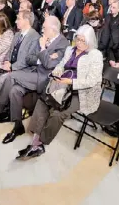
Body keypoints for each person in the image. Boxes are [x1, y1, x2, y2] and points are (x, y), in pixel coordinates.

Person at [15, 25, 104, 160]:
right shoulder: (70, 49)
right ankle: (36, 141)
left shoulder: (95, 55)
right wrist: (57, 73)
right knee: (43, 100)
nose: (79, 43)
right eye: (77, 39)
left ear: (90, 41)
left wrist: (71, 82)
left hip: (81, 92)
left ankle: (41, 143)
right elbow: (61, 65)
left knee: (59, 114)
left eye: (82, 41)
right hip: (62, 85)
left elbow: (93, 81)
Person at [0, 17, 70, 143]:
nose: (42, 30)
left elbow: (49, 65)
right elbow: (30, 58)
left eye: (44, 28)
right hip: (32, 72)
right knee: (15, 91)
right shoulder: (43, 38)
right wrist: (42, 58)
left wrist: (43, 49)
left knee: (11, 76)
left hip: (44, 79)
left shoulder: (63, 44)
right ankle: (18, 126)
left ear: (53, 29)